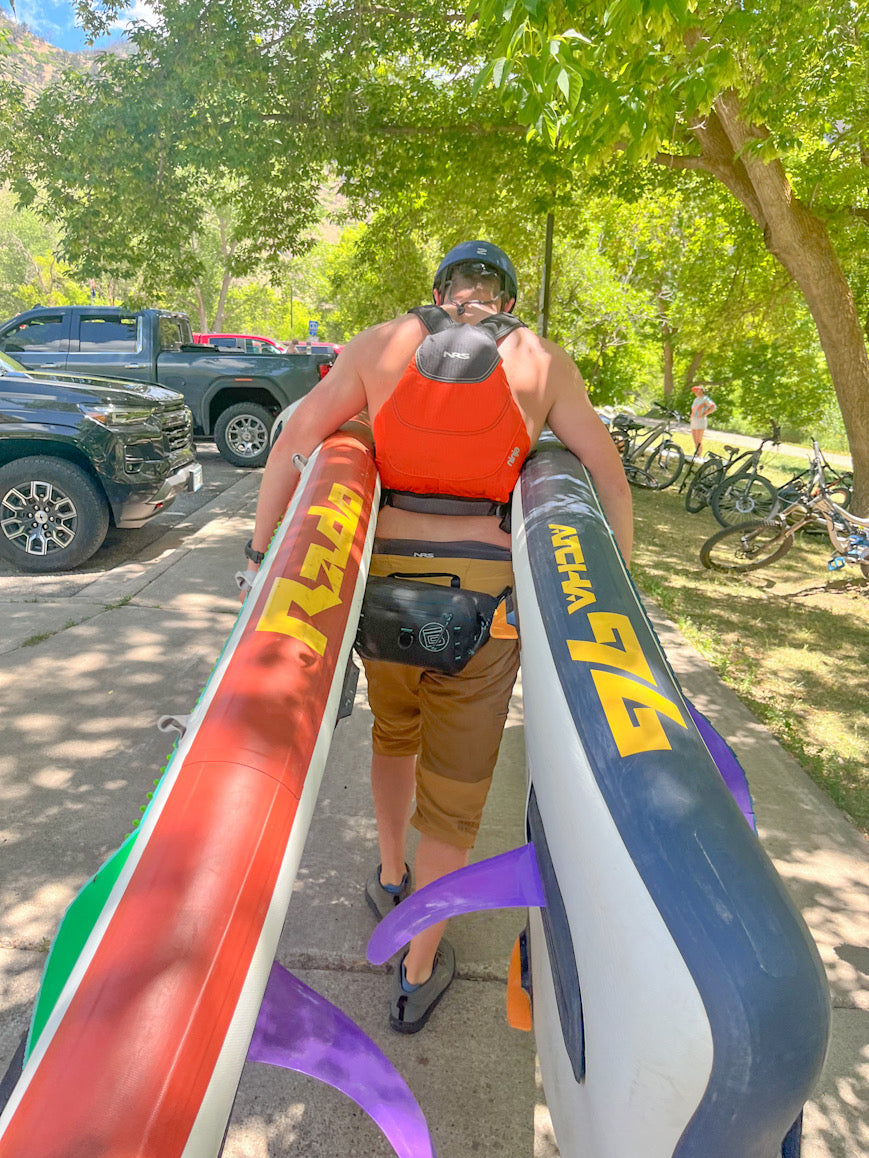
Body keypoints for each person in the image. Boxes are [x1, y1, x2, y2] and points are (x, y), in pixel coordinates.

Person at [241, 240, 633, 1034]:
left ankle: (391, 873)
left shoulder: (379, 344)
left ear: (439, 290)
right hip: (486, 611)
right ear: (507, 300)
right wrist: (615, 587)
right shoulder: (541, 361)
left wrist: (258, 555)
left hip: (383, 595)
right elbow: (607, 475)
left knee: (393, 733)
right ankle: (417, 965)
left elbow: (293, 442)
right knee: (455, 792)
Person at [689, 384, 717, 457]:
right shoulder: (696, 399)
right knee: (695, 439)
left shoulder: (705, 399)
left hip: (700, 420)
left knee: (699, 440)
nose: (696, 392)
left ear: (701, 391)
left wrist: (705, 414)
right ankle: (696, 453)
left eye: (697, 390)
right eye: (695, 391)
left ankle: (699, 454)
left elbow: (713, 407)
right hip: (694, 419)